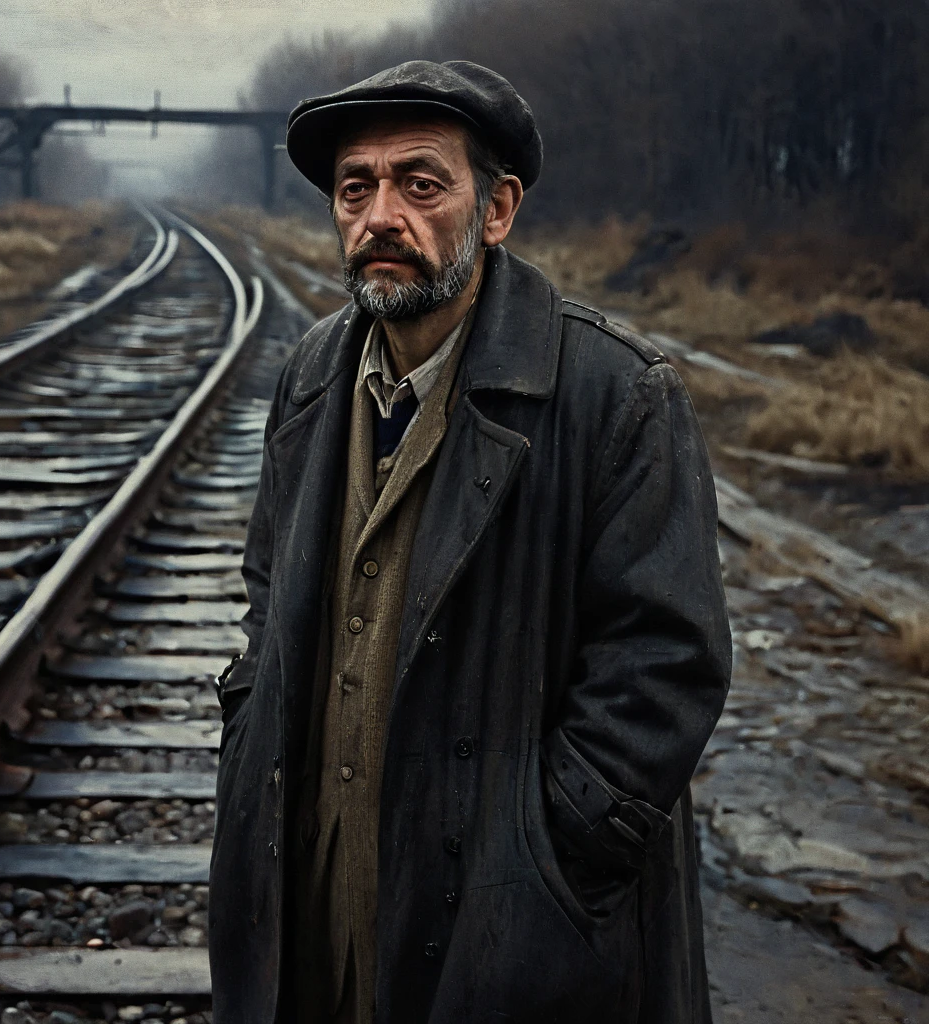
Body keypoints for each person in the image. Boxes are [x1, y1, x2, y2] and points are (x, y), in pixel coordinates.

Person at [209, 60, 732, 1024]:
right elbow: (265, 591)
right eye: (355, 188)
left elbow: (666, 669)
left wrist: (542, 867)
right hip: (318, 895)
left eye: (421, 183)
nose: (380, 217)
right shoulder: (314, 375)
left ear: (496, 211)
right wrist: (251, 740)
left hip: (510, 927)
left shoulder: (618, 395)